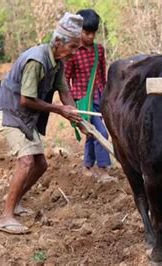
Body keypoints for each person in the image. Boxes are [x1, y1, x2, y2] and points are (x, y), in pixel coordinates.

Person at [0, 12, 86, 234]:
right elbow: (26, 99)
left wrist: (78, 120)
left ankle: (17, 202)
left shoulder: (58, 61)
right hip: (10, 111)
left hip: (23, 115)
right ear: (59, 42)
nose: (74, 53)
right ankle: (6, 216)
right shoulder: (37, 60)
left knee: (41, 164)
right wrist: (60, 110)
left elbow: (64, 92)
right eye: (72, 47)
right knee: (26, 162)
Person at [65, 9, 113, 179]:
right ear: (78, 31)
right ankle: (103, 169)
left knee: (92, 133)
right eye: (86, 33)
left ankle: (87, 166)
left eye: (93, 33)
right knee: (101, 133)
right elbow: (65, 79)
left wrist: (107, 96)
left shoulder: (99, 50)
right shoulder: (72, 52)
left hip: (99, 96)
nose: (90, 37)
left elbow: (102, 74)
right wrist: (71, 104)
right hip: (82, 100)